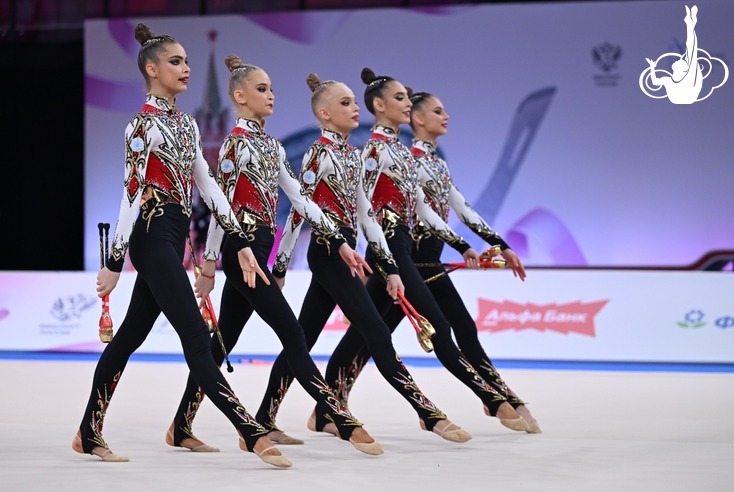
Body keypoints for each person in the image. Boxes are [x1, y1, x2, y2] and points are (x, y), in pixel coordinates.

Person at [72, 23, 292, 468]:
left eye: (188, 61)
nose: (186, 68)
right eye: (176, 61)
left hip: (174, 237)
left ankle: (88, 432)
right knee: (196, 333)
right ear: (151, 69)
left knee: (130, 335)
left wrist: (241, 243)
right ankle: (249, 430)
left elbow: (210, 188)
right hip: (150, 237)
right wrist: (115, 261)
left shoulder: (187, 125)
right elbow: (130, 194)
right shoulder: (142, 126)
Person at [168, 56, 383, 456]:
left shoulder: (273, 146)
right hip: (240, 251)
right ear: (239, 96)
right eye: (262, 89)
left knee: (223, 342)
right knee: (294, 332)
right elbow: (222, 208)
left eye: (271, 89)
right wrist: (212, 262)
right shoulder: (235, 144)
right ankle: (340, 418)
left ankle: (181, 424)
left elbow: (300, 199)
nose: (271, 96)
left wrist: (336, 240)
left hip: (260, 250)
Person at [245, 73, 470, 444]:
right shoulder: (318, 154)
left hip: (347, 254)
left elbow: (367, 218)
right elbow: (299, 212)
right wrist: (281, 265)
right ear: (324, 113)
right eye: (346, 103)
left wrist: (390, 267)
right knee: (377, 332)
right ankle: (429, 416)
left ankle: (266, 417)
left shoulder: (352, 156)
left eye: (354, 102)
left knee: (303, 337)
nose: (354, 110)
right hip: (328, 255)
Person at [317, 69, 531, 433]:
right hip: (397, 255)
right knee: (413, 330)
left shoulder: (418, 159)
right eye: (436, 110)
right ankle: (492, 399)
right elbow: (364, 207)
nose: (445, 116)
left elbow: (447, 207)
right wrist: (357, 251)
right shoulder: (377, 151)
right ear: (387, 107)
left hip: (419, 256)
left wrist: (481, 244)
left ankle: (328, 408)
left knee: (373, 334)